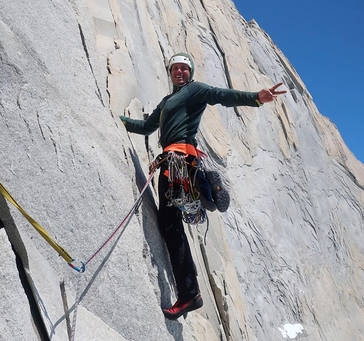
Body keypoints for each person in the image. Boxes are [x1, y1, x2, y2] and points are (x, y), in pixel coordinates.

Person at [120, 53, 286, 320]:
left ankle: (190, 294)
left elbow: (220, 95)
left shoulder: (195, 90)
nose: (180, 72)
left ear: (191, 73)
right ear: (170, 72)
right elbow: (146, 127)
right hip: (171, 163)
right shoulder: (165, 103)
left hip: (180, 162)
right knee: (170, 223)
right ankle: (190, 292)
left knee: (171, 223)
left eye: (185, 69)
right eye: (176, 68)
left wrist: (256, 97)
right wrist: (122, 122)